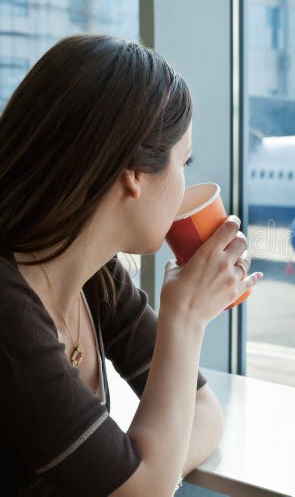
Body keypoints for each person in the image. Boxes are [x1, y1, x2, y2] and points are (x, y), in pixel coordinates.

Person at [0, 34, 263, 496]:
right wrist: (185, 317)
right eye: (184, 160)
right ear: (135, 176)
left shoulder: (93, 275)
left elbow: (204, 408)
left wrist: (148, 469)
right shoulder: (9, 312)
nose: (186, 183)